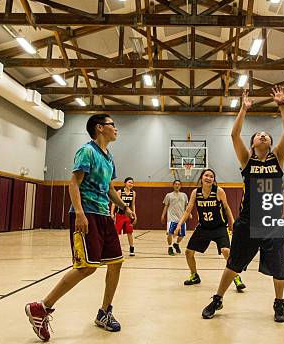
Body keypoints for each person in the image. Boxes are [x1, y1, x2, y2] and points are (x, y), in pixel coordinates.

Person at [25, 114, 134, 341]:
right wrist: (80, 213)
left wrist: (124, 207)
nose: (116, 128)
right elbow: (74, 182)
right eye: (113, 124)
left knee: (116, 263)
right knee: (86, 267)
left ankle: (104, 313)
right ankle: (42, 307)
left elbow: (109, 188)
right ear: (100, 128)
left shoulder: (108, 157)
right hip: (87, 215)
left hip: (104, 216)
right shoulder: (87, 151)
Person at [202, 86, 284, 322]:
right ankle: (218, 298)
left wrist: (282, 105)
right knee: (233, 264)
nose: (263, 136)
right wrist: (243, 109)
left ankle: (279, 304)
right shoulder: (247, 160)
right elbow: (234, 135)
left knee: (279, 268)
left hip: (272, 224)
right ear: (252, 143)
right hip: (248, 222)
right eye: (258, 135)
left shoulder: (278, 159)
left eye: (266, 135)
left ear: (271, 143)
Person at [172, 169, 245, 291]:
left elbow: (227, 208)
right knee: (188, 252)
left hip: (219, 227)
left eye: (211, 176)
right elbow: (188, 210)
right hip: (204, 227)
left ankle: (236, 277)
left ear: (213, 180)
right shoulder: (196, 193)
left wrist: (233, 224)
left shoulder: (219, 191)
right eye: (206, 175)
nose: (208, 178)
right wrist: (179, 224)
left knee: (226, 251)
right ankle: (194, 275)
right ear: (201, 177)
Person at [161, 180, 189, 256]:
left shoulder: (184, 195)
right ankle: (170, 247)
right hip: (171, 218)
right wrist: (163, 215)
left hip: (181, 218)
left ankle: (176, 244)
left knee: (182, 235)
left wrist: (189, 213)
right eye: (175, 184)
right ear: (173, 185)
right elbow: (166, 206)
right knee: (170, 233)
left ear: (180, 186)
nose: (177, 185)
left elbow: (186, 206)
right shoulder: (169, 195)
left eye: (179, 184)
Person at [111, 177, 137, 256]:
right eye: (129, 182)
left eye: (132, 183)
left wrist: (134, 214)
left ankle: (131, 248)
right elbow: (114, 203)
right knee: (116, 233)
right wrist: (112, 213)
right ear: (125, 183)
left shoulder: (133, 193)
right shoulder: (120, 192)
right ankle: (114, 249)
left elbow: (133, 204)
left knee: (130, 232)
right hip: (119, 215)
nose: (131, 184)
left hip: (128, 216)